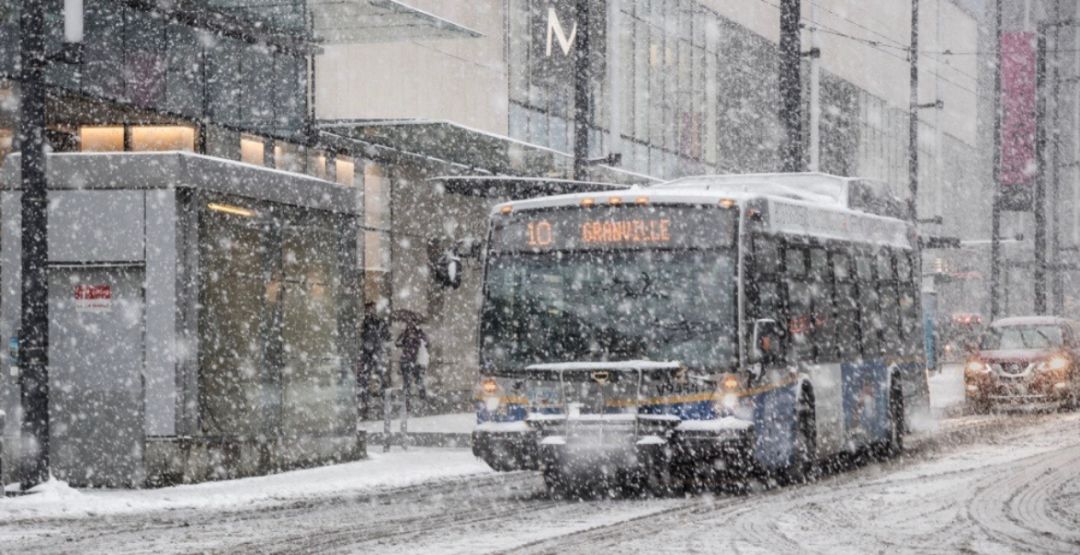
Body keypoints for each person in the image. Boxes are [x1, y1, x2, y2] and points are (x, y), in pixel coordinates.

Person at [358, 301, 390, 419]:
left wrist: (383, 330)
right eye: (369, 309)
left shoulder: (378, 322)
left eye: (373, 309)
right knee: (364, 378)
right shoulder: (365, 322)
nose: (371, 311)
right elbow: (364, 336)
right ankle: (366, 404)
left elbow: (386, 336)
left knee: (380, 376)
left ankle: (382, 402)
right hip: (368, 353)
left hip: (375, 352)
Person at [397, 319, 429, 408]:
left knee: (419, 381)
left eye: (413, 323)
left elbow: (426, 343)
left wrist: (417, 338)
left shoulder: (419, 333)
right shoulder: (405, 333)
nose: (410, 325)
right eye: (409, 323)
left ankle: (423, 401)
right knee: (407, 383)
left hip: (416, 361)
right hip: (406, 361)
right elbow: (397, 343)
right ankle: (407, 403)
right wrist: (404, 336)